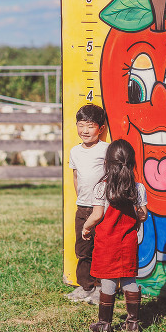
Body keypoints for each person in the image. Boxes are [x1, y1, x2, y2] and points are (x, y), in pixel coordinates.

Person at [82, 139, 148, 332]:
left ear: (107, 163)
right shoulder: (137, 188)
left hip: (106, 243)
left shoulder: (102, 188)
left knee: (108, 281)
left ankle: (104, 324)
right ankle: (133, 323)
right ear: (132, 162)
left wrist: (86, 227)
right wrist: (137, 216)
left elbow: (97, 215)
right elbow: (143, 214)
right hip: (128, 242)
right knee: (130, 280)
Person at [66, 103, 108, 304]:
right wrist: (81, 199)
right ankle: (86, 287)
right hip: (82, 207)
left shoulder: (106, 149)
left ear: (101, 128)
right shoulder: (74, 152)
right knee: (83, 249)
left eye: (90, 126)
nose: (85, 130)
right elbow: (76, 177)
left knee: (101, 249)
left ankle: (102, 288)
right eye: (81, 125)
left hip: (102, 208)